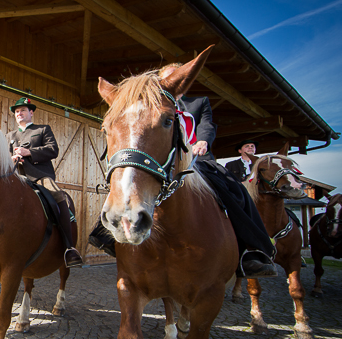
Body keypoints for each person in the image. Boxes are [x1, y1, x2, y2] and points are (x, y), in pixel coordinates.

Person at [90, 64, 278, 278]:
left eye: (177, 80)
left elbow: (207, 124)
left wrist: (203, 141)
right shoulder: (149, 104)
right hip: (161, 162)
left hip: (196, 159)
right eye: (167, 79)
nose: (172, 84)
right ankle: (105, 234)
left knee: (235, 189)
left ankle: (254, 249)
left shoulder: (199, 103)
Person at [6, 97, 83, 268]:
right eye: (17, 112)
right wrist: (11, 158)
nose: (19, 114)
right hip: (18, 177)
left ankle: (69, 247)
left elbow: (52, 150)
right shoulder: (10, 136)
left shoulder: (42, 130)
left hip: (40, 176)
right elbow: (5, 158)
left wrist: (29, 152)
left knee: (58, 196)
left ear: (31, 113)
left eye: (23, 110)